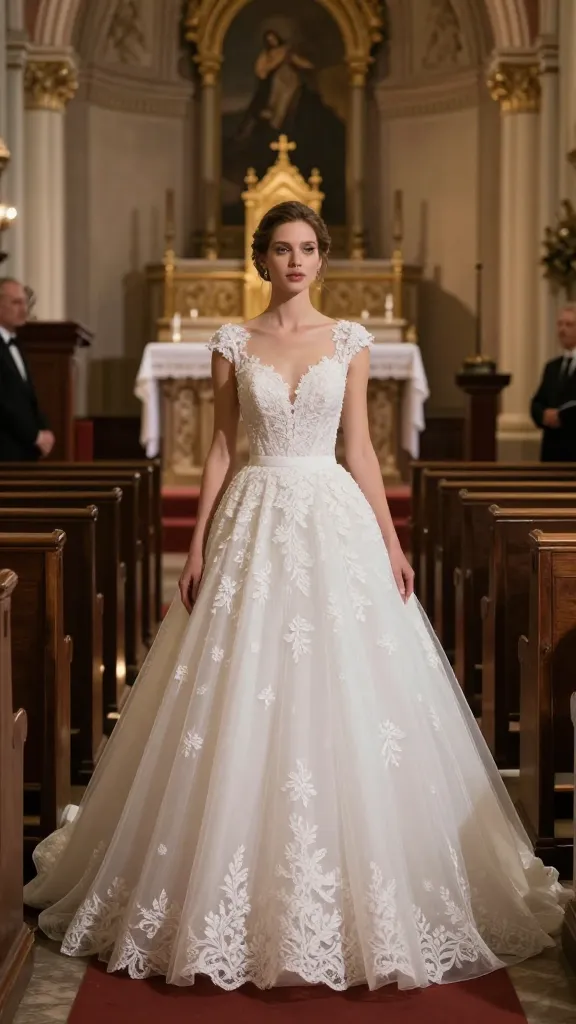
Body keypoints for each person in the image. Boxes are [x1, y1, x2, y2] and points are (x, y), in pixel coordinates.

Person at [24, 202, 565, 992]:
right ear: (263, 259)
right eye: (282, 248)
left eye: (308, 247)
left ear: (322, 257)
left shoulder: (350, 340)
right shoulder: (230, 341)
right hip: (253, 515)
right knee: (241, 688)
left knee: (347, 688)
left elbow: (362, 449)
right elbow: (220, 446)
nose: (297, 260)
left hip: (331, 517)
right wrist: (198, 542)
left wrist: (391, 541)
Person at [0, 277, 54, 460]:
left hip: (24, 451)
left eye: (25, 303)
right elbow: (4, 402)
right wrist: (34, 436)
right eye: (16, 303)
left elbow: (27, 397)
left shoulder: (17, 345)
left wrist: (44, 429)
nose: (24, 309)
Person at [531, 303, 576, 461]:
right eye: (560, 324)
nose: (562, 330)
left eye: (569, 325)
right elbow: (537, 402)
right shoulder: (552, 367)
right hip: (552, 450)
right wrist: (543, 415)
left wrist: (561, 418)